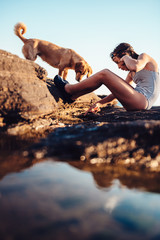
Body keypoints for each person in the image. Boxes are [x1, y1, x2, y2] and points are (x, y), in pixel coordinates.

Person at [54, 43, 160, 114]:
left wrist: (125, 57)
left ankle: (69, 89)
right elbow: (116, 92)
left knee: (104, 74)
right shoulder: (130, 75)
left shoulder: (144, 58)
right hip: (137, 101)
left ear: (124, 55)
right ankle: (73, 96)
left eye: (119, 62)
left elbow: (135, 66)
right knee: (105, 76)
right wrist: (99, 103)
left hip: (143, 101)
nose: (119, 67)